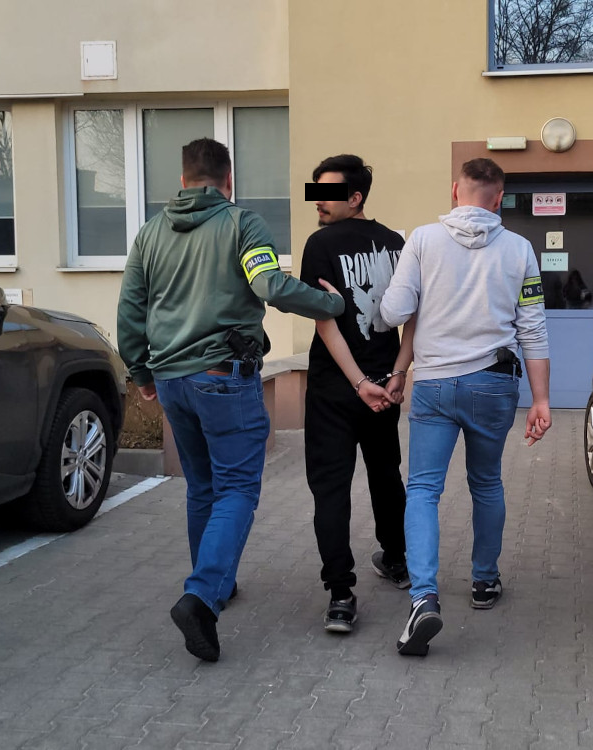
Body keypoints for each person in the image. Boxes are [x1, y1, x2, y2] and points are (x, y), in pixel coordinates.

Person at [117, 138, 345, 662]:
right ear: (229, 180)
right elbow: (269, 285)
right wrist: (330, 303)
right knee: (237, 487)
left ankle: (214, 579)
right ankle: (202, 597)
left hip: (171, 380)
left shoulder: (149, 233)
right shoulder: (243, 224)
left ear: (182, 181)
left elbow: (130, 308)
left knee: (202, 487)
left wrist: (141, 372)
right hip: (223, 375)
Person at [379, 157, 551, 657]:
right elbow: (533, 328)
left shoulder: (423, 240)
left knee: (423, 489)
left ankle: (423, 597)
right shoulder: (520, 249)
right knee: (487, 483)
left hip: (433, 384)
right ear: (499, 199)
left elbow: (393, 311)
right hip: (493, 385)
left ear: (455, 190)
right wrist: (542, 399)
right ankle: (483, 581)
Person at [299, 154, 413, 633]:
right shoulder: (397, 245)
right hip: (383, 386)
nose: (318, 203)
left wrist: (360, 382)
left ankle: (341, 596)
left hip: (337, 387)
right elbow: (415, 318)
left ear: (355, 197)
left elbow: (325, 322)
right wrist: (398, 373)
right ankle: (398, 560)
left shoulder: (320, 244)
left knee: (331, 488)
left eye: (326, 194)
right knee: (386, 474)